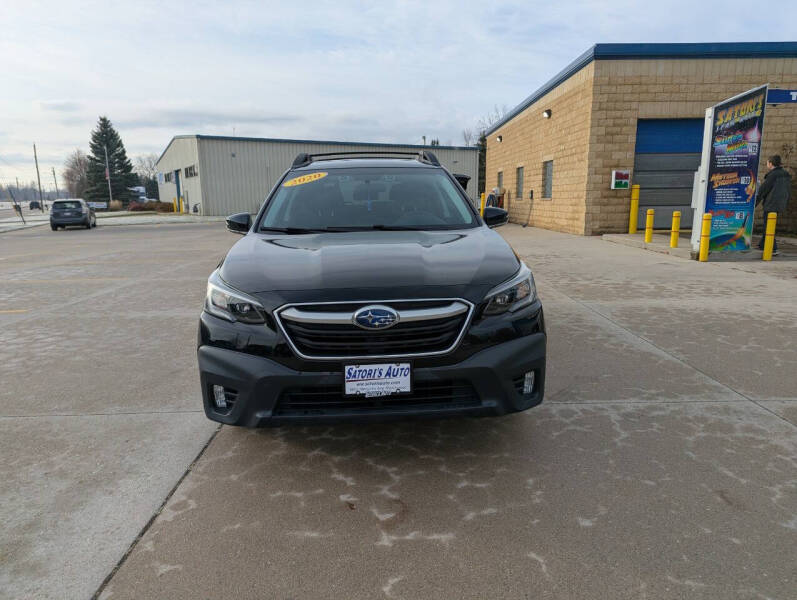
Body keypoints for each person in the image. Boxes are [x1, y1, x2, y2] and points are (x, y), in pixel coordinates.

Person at [756, 155, 791, 255]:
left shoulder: (772, 175)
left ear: (771, 163)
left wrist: (754, 204)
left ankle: (773, 248)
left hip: (771, 204)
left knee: (768, 225)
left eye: (767, 162)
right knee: (769, 225)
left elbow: (763, 190)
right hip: (780, 204)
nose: (767, 164)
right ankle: (763, 245)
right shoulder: (786, 174)